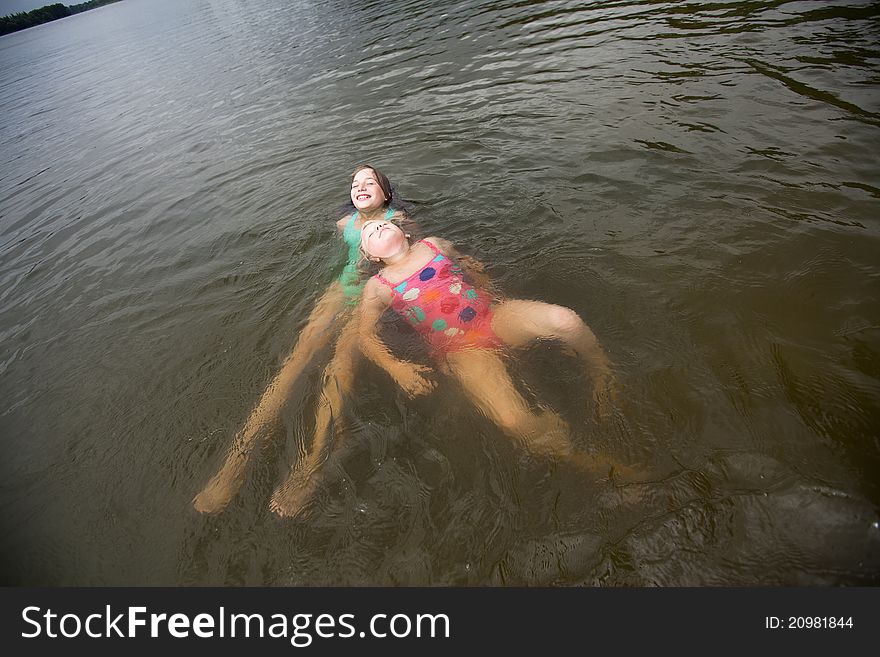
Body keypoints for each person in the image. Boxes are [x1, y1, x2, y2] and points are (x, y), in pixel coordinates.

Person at [268, 218, 626, 518]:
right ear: (369, 256)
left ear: (404, 233)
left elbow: (471, 266)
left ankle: (602, 376)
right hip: (461, 350)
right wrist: (399, 369)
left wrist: (493, 293)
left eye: (383, 222)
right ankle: (599, 466)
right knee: (515, 422)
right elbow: (365, 337)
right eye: (369, 233)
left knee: (565, 320)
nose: (376, 227)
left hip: (493, 318)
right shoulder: (378, 288)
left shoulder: (436, 245)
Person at [192, 165, 411, 514]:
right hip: (340, 290)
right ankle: (235, 462)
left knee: (339, 368)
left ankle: (311, 466)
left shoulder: (398, 220)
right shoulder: (345, 224)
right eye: (355, 184)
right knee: (293, 364)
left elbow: (406, 262)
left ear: (386, 193)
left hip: (373, 295)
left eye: (370, 182)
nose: (360, 186)